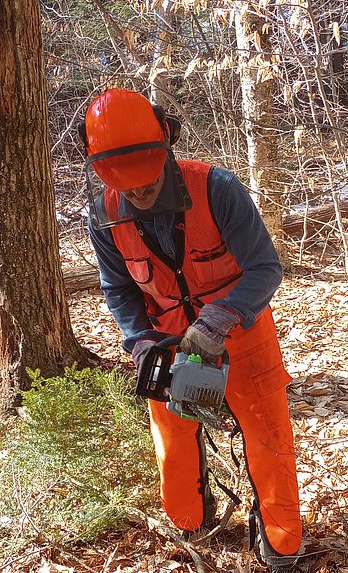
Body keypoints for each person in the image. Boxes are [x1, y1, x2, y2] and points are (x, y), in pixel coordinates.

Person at [80, 88, 303, 570]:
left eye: (146, 182)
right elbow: (118, 289)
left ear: (166, 145)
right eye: (129, 187)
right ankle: (191, 523)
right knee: (173, 441)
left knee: (268, 439)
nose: (138, 193)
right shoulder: (104, 216)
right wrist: (137, 340)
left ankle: (282, 544)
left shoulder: (216, 189)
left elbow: (265, 268)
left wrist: (220, 318)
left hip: (243, 337)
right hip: (167, 343)